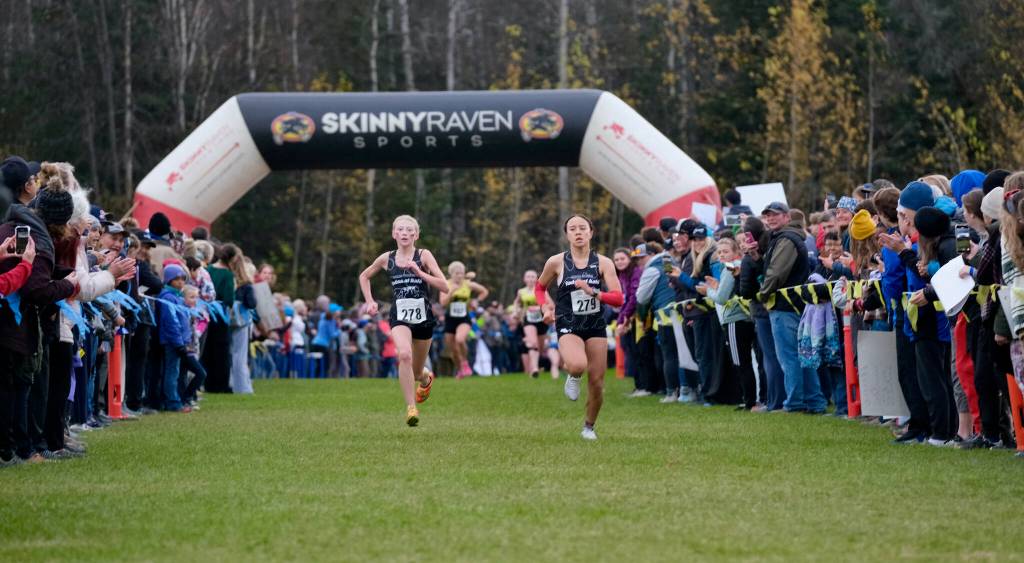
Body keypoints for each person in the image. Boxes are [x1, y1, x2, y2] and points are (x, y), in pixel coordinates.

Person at [536, 214, 623, 441]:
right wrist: (545, 308)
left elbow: (618, 298)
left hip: (595, 324)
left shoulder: (604, 263)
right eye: (572, 229)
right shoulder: (556, 262)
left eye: (582, 228)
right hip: (568, 322)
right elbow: (539, 288)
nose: (578, 232)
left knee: (597, 382)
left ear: (591, 232)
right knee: (577, 365)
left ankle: (588, 427)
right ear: (567, 235)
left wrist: (593, 291)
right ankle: (573, 376)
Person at [358, 215, 448, 426]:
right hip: (399, 316)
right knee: (404, 355)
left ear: (416, 235)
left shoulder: (423, 255)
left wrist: (420, 273)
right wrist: (370, 301)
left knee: (417, 372)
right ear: (394, 234)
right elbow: (364, 276)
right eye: (401, 229)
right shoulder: (386, 258)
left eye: (410, 230)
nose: (405, 232)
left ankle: (426, 379)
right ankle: (411, 408)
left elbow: (445, 286)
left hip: (424, 318)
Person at [756, 201, 826, 414]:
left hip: (785, 306)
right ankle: (814, 402)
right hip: (796, 304)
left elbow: (776, 273)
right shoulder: (789, 237)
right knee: (803, 356)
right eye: (767, 215)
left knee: (790, 357)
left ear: (787, 217)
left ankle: (794, 403)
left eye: (775, 214)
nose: (770, 218)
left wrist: (762, 294)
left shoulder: (786, 239)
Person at [440, 261, 489, 379]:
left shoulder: (468, 284)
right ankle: (460, 369)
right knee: (453, 349)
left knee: (460, 339)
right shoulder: (446, 284)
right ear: (451, 274)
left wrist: (477, 301)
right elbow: (442, 303)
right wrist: (451, 292)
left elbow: (484, 291)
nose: (460, 276)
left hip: (464, 317)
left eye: (461, 273)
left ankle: (465, 362)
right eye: (457, 273)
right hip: (450, 318)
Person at [157, 264, 193, 413]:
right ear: (169, 280)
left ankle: (175, 400)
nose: (180, 282)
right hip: (173, 342)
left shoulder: (176, 297)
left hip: (179, 341)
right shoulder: (168, 298)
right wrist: (178, 343)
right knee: (172, 372)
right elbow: (171, 323)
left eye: (182, 279)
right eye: (176, 279)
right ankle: (172, 402)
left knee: (175, 372)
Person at [513, 270, 548, 379]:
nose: (530, 279)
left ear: (536, 278)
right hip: (528, 320)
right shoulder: (521, 292)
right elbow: (517, 303)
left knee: (541, 348)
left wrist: (539, 307)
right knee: (533, 343)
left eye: (533, 277)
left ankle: (537, 364)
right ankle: (534, 369)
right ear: (524, 279)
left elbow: (550, 304)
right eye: (528, 277)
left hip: (542, 320)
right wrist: (516, 311)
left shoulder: (542, 290)